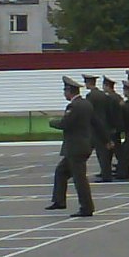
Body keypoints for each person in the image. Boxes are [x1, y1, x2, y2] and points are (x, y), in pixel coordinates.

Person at [47, 76, 96, 217]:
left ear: (69, 91)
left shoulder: (74, 106)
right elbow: (96, 123)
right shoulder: (86, 104)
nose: (64, 94)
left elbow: (65, 124)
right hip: (82, 145)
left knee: (79, 179)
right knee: (61, 172)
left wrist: (52, 122)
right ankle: (59, 200)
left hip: (76, 147)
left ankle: (87, 207)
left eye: (65, 90)